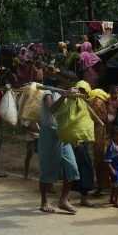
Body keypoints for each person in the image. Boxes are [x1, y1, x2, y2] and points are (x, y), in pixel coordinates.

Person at [41, 82, 81, 214]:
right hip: (49, 133)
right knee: (47, 168)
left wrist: (74, 134)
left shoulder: (68, 95)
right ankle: (44, 200)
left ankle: (63, 200)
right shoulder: (49, 93)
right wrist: (64, 95)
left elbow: (70, 116)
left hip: (63, 133)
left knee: (72, 167)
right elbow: (51, 109)